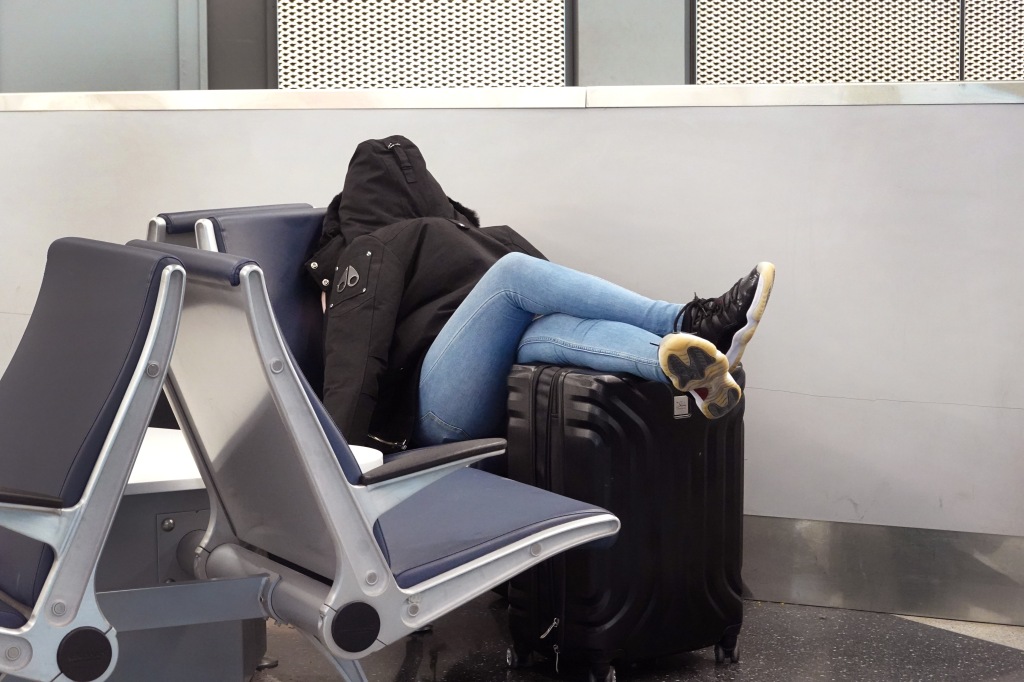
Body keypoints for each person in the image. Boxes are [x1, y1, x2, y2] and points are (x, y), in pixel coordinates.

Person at [306, 136, 774, 451]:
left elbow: (562, 297)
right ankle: (681, 320)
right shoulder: (369, 253)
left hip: (496, 387)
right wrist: (341, 463)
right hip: (427, 414)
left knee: (548, 326)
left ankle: (686, 368)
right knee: (514, 276)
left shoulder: (476, 236)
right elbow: (355, 355)